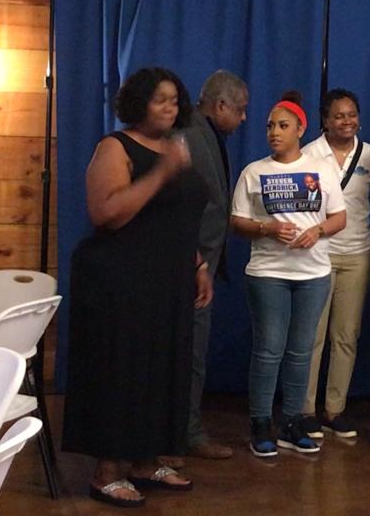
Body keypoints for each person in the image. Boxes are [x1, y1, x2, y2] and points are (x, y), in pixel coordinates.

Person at [63, 67, 210, 507]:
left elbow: (176, 218)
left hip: (167, 280)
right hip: (118, 282)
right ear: (137, 104)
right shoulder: (116, 146)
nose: (169, 107)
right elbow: (107, 213)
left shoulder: (174, 148)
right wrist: (160, 174)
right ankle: (107, 471)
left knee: (162, 369)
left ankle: (146, 460)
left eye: (174, 99)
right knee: (121, 371)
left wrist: (198, 264)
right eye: (159, 99)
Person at [230, 91, 347, 458]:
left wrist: (318, 231)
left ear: (301, 129)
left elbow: (339, 217)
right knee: (269, 350)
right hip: (268, 273)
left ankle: (293, 422)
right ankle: (261, 423)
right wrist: (265, 229)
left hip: (313, 274)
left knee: (300, 352)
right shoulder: (254, 171)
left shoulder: (322, 169)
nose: (273, 133)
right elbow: (236, 221)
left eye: (282, 126)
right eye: (269, 126)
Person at [299, 89, 370, 440]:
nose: (346, 121)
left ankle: (335, 409)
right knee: (312, 336)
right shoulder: (308, 154)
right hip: (316, 254)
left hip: (357, 254)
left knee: (346, 336)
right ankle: (304, 411)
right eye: (339, 116)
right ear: (325, 120)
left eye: (352, 115)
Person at [178, 69, 249, 461]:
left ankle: (183, 430)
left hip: (198, 265)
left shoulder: (202, 133)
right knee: (189, 357)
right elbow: (180, 206)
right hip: (188, 267)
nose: (242, 120)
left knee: (193, 355)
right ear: (220, 105)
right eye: (239, 111)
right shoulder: (188, 134)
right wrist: (196, 262)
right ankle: (184, 433)